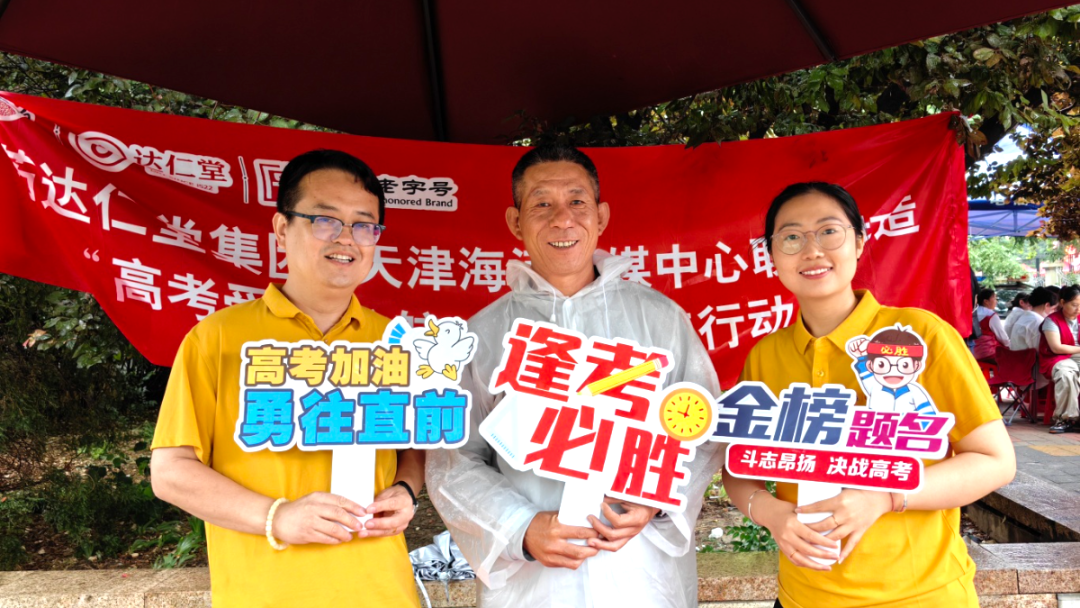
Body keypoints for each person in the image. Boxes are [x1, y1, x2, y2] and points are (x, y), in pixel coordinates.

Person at [425, 144, 724, 607]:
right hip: (531, 587)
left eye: (577, 201)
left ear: (601, 216)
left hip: (640, 577)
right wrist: (519, 527)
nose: (563, 219)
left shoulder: (659, 320)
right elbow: (453, 460)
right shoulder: (482, 335)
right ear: (515, 221)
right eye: (542, 203)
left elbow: (702, 432)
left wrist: (657, 499)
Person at [149, 150, 423, 607]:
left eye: (364, 225)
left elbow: (415, 446)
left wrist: (407, 491)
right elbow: (170, 473)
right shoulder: (218, 338)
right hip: (265, 595)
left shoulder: (396, 341)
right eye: (325, 220)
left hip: (384, 592)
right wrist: (277, 517)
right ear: (281, 228)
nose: (346, 238)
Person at [722, 183, 1015, 608]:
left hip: (920, 597)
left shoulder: (921, 336)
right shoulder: (766, 356)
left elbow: (995, 460)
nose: (812, 250)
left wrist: (887, 497)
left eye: (829, 231)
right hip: (801, 597)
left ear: (859, 241)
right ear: (771, 255)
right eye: (791, 236)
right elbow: (738, 463)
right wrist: (769, 512)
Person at [1041, 285, 1080, 434]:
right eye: (1074, 305)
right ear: (1063, 302)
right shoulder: (1051, 321)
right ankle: (1065, 419)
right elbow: (1056, 348)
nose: (1078, 309)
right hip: (1056, 358)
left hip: (1076, 356)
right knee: (1066, 375)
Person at [1009, 287, 1058, 389]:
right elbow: (1043, 352)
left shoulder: (1024, 318)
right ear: (1047, 305)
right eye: (1054, 309)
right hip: (1032, 375)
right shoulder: (1038, 323)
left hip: (1016, 370)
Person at [973, 288, 1010, 360]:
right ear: (986, 301)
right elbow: (1003, 339)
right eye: (995, 299)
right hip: (988, 353)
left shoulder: (972, 313)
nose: (996, 301)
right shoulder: (991, 315)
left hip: (971, 352)